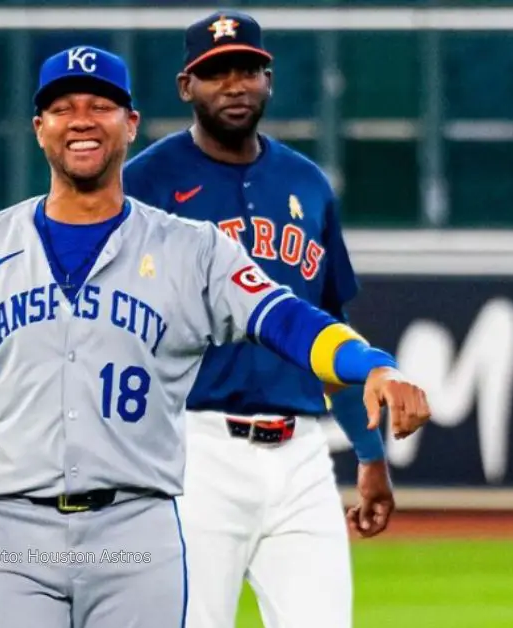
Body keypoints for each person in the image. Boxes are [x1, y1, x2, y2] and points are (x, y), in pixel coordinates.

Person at [0, 45, 430, 628]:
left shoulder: (195, 249)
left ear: (130, 124)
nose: (82, 119)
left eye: (101, 105)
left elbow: (287, 318)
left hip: (136, 532)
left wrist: (372, 365)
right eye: (63, 108)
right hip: (12, 535)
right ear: (40, 129)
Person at [122, 10, 397, 628]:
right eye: (216, 72)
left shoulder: (307, 183)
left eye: (247, 69)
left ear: (269, 79)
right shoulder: (144, 182)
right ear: (185, 87)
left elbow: (331, 323)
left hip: (300, 452)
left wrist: (370, 454)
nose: (235, 85)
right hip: (193, 449)